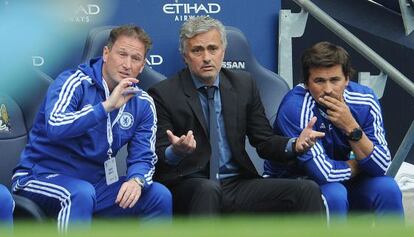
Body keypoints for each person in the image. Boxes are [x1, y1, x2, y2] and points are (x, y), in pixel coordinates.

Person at [148, 16, 326, 216]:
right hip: (190, 185)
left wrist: (294, 144)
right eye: (197, 50)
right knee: (208, 190)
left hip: (237, 184)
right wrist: (176, 151)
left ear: (223, 52)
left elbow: (264, 141)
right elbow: (158, 156)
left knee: (306, 190)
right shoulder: (163, 93)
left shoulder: (243, 85)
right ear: (185, 56)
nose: (206, 57)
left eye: (213, 49)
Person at [12, 25, 172, 231]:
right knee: (79, 193)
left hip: (97, 185)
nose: (127, 64)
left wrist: (137, 180)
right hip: (40, 176)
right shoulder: (74, 82)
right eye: (122, 54)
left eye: (135, 58)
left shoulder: (143, 102)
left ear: (142, 66)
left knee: (158, 196)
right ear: (106, 53)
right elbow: (55, 126)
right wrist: (106, 107)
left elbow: (144, 156)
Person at [264, 41, 404, 220]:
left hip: (343, 181)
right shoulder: (295, 107)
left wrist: (350, 126)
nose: (328, 90)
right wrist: (360, 163)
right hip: (292, 184)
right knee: (335, 193)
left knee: (387, 188)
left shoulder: (365, 100)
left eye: (335, 80)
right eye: (319, 81)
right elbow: (323, 173)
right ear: (306, 83)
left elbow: (382, 165)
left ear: (347, 79)